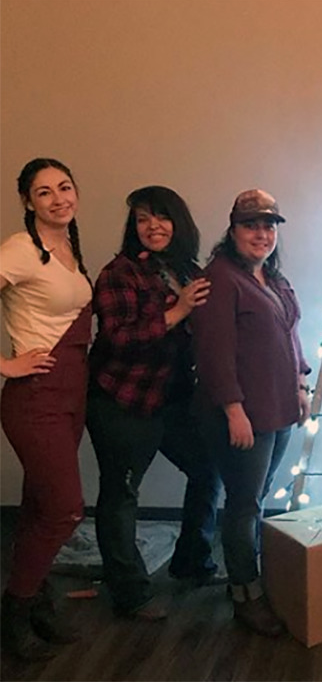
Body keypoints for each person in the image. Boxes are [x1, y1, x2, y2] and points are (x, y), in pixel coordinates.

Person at [85, 186, 222, 620]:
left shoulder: (185, 269)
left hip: (173, 401)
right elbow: (119, 339)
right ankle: (130, 593)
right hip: (122, 400)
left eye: (161, 217)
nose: (152, 226)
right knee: (121, 494)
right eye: (143, 219)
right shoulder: (117, 273)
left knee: (208, 469)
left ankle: (190, 562)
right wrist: (178, 312)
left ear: (179, 222)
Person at [192, 189, 311, 636]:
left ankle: (251, 579)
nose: (261, 234)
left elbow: (291, 334)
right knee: (243, 506)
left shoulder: (271, 278)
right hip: (243, 414)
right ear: (233, 230)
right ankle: (245, 594)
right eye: (251, 226)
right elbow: (213, 351)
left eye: (269, 226)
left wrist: (300, 384)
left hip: (278, 407)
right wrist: (232, 410)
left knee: (255, 501)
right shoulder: (221, 279)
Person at [0, 158, 92, 660]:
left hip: (71, 392)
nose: (58, 198)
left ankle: (37, 603)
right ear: (27, 202)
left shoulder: (67, 248)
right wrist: (5, 365)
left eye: (64, 187)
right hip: (35, 396)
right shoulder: (19, 250)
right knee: (64, 509)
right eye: (43, 192)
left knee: (39, 506)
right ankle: (12, 611)